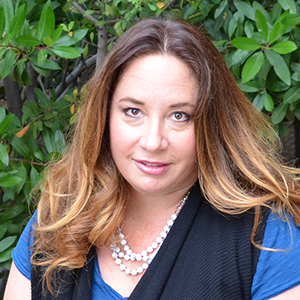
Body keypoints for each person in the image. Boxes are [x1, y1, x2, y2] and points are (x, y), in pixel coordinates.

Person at [4, 18, 300, 300]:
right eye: (133, 111)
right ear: (104, 114)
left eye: (179, 116)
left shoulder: (267, 238)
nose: (152, 141)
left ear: (212, 123)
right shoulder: (61, 217)